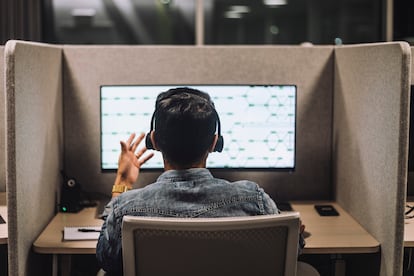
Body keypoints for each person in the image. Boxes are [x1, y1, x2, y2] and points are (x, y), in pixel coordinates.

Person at [96, 87, 308, 275]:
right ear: (215, 143)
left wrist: (122, 182)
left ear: (154, 141)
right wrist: (295, 233)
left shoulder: (127, 207)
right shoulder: (254, 199)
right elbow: (290, 250)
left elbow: (108, 260)